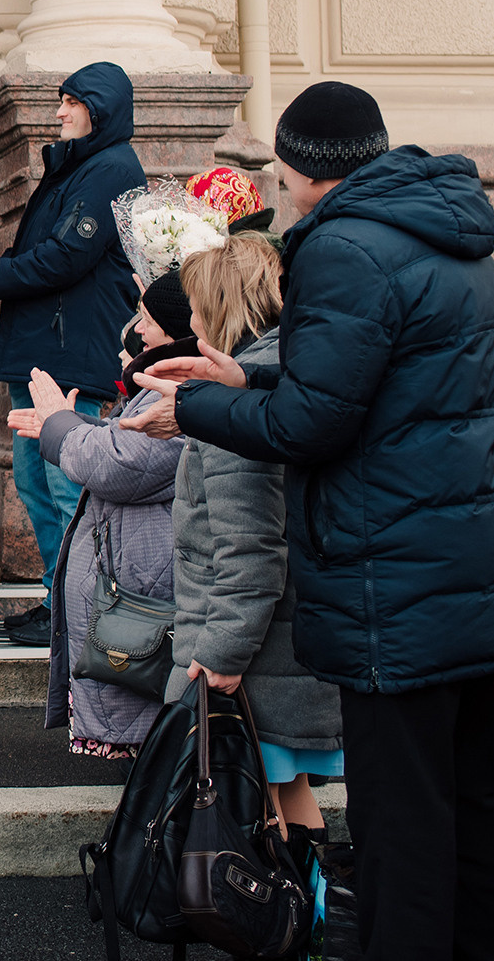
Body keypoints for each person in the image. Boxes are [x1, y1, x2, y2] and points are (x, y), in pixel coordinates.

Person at [127, 82, 494, 959]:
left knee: (405, 823)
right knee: (486, 793)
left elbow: (314, 426)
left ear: (306, 170)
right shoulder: (448, 232)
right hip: (474, 562)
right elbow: (388, 386)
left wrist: (190, 414)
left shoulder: (344, 247)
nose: (279, 193)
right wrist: (246, 381)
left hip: (393, 575)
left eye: (281, 175)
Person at [0, 62, 147, 648]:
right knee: (32, 481)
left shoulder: (112, 168)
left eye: (71, 103)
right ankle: (60, 600)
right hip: (43, 345)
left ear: (98, 110)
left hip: (70, 351)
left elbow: (65, 258)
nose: (59, 112)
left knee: (66, 484)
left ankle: (87, 608)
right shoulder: (77, 165)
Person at [166, 234, 342, 867]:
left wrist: (220, 655)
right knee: (288, 792)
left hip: (256, 656)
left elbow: (251, 548)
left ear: (219, 307)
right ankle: (320, 917)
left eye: (192, 305)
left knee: (255, 802)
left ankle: (289, 925)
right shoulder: (280, 376)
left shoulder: (236, 403)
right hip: (283, 649)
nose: (187, 321)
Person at [9, 272, 187, 759]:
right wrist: (76, 426)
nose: (139, 333)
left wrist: (61, 424)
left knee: (169, 751)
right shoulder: (166, 382)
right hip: (139, 582)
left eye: (147, 322)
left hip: (147, 589)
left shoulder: (182, 386)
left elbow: (121, 463)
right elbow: (125, 441)